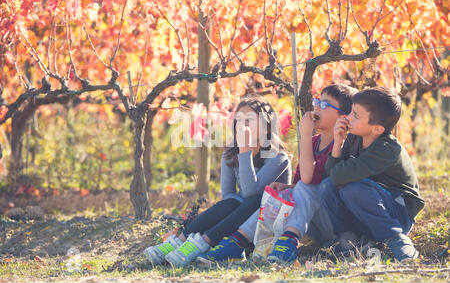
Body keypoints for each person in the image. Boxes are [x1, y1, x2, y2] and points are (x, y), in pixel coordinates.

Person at [196, 84, 358, 264]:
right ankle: (238, 240)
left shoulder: (344, 145)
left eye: (325, 104)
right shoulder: (313, 142)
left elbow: (308, 181)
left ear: (343, 118)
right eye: (317, 101)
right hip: (313, 223)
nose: (317, 107)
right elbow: (299, 184)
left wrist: (304, 134)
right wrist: (285, 188)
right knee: (279, 195)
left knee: (305, 186)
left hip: (335, 225)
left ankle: (287, 239)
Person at [143, 95, 292, 267]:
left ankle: (198, 245)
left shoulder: (278, 158)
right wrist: (241, 152)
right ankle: (178, 243)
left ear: (267, 127)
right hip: (235, 222)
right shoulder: (231, 153)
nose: (243, 126)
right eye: (239, 120)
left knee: (254, 199)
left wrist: (245, 153)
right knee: (231, 202)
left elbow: (252, 192)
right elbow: (228, 194)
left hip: (259, 230)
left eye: (249, 120)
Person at [315, 87, 424, 262]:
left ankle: (396, 240)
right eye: (351, 111)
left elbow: (339, 177)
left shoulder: (386, 149)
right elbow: (331, 178)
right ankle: (350, 241)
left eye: (355, 115)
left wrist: (338, 175)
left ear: (377, 129)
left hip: (397, 212)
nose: (348, 117)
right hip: (370, 207)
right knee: (326, 187)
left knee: (352, 188)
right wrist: (338, 143)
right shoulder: (354, 139)